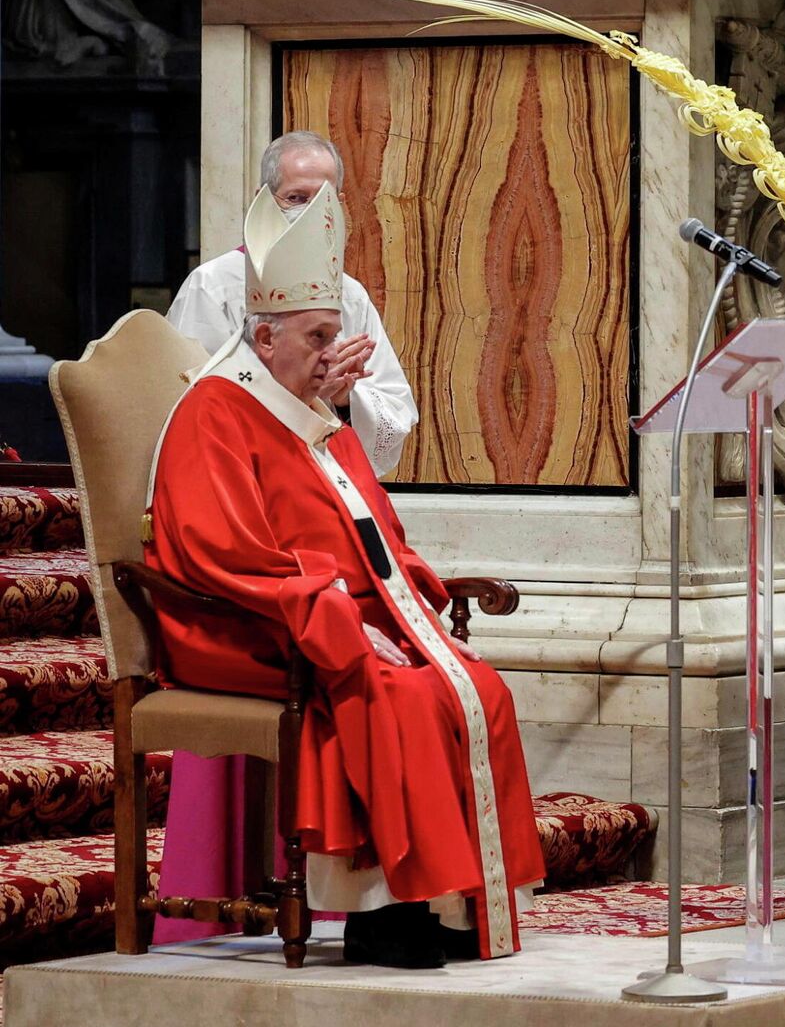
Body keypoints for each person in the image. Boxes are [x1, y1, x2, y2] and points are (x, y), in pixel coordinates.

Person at [145, 182, 544, 968]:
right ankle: (380, 912)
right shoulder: (215, 411)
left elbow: (373, 525)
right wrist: (335, 617)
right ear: (265, 339)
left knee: (473, 684)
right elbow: (215, 551)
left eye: (335, 332)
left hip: (321, 612)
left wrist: (404, 607)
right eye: (318, 334)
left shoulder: (309, 407)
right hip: (243, 624)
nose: (333, 352)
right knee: (386, 691)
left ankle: (447, 909)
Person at [167, 131, 417, 476]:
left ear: (340, 206)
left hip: (329, 474)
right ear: (264, 201)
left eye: (322, 200)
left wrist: (345, 400)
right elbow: (187, 401)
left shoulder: (352, 295)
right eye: (296, 198)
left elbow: (395, 413)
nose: (310, 213)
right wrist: (302, 390)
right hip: (241, 475)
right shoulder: (213, 286)